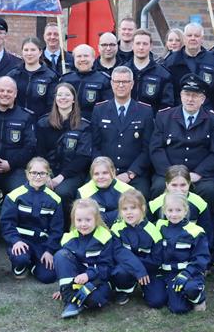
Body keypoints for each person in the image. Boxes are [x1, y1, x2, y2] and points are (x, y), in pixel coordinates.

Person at [150, 74, 214, 214]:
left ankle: (205, 230)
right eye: (187, 94)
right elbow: (156, 149)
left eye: (195, 95)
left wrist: (198, 174)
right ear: (181, 95)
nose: (190, 99)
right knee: (158, 187)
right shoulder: (164, 117)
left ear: (203, 99)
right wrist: (171, 174)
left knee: (210, 191)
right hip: (169, 172)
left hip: (200, 175)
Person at [91, 66, 155, 198]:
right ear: (111, 83)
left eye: (125, 82)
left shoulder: (145, 111)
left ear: (132, 84)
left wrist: (130, 173)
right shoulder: (99, 109)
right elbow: (94, 146)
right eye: (117, 81)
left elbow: (147, 149)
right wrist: (105, 172)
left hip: (134, 174)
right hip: (103, 173)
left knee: (141, 199)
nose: (121, 85)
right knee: (86, 197)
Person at [0, 157, 64, 283]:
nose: (38, 177)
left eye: (42, 173)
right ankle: (21, 264)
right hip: (21, 241)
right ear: (27, 174)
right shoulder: (14, 196)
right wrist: (15, 241)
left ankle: (33, 265)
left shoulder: (55, 200)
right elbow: (7, 224)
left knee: (48, 277)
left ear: (48, 175)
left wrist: (49, 250)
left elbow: (57, 230)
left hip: (42, 244)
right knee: (21, 258)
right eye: (34, 173)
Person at [0, 76, 37, 214]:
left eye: (9, 91)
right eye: (1, 90)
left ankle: (6, 227)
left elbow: (30, 147)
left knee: (20, 194)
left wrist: (10, 163)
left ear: (15, 93)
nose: (5, 94)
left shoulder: (25, 116)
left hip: (14, 169)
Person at [35, 83, 92, 222]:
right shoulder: (43, 123)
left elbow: (83, 158)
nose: (63, 98)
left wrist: (61, 177)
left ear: (74, 99)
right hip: (48, 171)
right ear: (55, 98)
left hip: (72, 173)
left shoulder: (84, 125)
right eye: (59, 94)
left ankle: (65, 230)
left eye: (67, 94)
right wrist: (45, 175)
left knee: (62, 192)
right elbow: (39, 153)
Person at [54, 198, 116, 318]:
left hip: (98, 279)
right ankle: (70, 299)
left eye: (88, 220)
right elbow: (66, 267)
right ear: (73, 220)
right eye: (79, 220)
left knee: (95, 300)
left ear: (96, 219)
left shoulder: (105, 237)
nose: (83, 224)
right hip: (77, 280)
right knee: (60, 255)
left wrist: (88, 275)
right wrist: (64, 288)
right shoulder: (68, 238)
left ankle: (79, 298)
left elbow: (107, 267)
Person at [109, 189, 165, 307]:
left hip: (149, 270)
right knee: (119, 272)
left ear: (143, 208)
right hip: (127, 268)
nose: (129, 212)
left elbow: (156, 261)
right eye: (125, 209)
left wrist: (140, 270)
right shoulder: (116, 228)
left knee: (157, 301)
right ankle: (124, 289)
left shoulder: (153, 231)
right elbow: (118, 252)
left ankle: (146, 288)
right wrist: (137, 269)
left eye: (133, 208)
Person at [156, 192, 209, 313]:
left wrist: (187, 273)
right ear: (164, 210)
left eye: (178, 210)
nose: (174, 214)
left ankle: (198, 297)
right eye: (170, 210)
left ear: (185, 210)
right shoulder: (159, 226)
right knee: (157, 301)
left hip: (189, 273)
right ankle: (171, 291)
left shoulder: (196, 231)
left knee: (179, 309)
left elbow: (202, 258)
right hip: (167, 274)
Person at [164, 22, 214, 112]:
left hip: (207, 114)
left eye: (196, 36)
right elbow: (168, 92)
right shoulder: (171, 61)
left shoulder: (213, 60)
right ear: (184, 38)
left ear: (202, 39)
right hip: (179, 114)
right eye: (189, 35)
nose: (193, 38)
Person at [147, 165, 213, 243]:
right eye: (174, 185)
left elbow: (207, 234)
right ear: (167, 185)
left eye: (183, 185)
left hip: (190, 247)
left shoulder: (200, 204)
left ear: (189, 184)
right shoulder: (155, 205)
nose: (178, 189)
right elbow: (148, 233)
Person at [8, 36, 60, 120]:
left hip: (40, 124)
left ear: (40, 52)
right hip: (16, 123)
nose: (29, 53)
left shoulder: (50, 76)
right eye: (26, 50)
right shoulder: (13, 75)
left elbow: (52, 106)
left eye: (33, 50)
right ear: (22, 52)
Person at [126, 28, 175, 111]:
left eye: (145, 44)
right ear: (132, 45)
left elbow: (166, 107)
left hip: (152, 122)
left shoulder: (163, 74)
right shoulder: (123, 71)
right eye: (138, 43)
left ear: (151, 46)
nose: (141, 47)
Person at [60, 44, 113, 120]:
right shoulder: (65, 79)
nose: (82, 59)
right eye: (79, 56)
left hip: (93, 125)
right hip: (67, 123)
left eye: (86, 56)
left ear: (93, 58)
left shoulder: (103, 80)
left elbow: (108, 108)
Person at [76, 157, 133, 227]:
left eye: (105, 173)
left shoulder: (128, 191)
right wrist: (118, 213)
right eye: (96, 174)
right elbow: (82, 220)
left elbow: (133, 216)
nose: (101, 177)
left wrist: (102, 216)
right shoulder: (83, 192)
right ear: (91, 175)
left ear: (113, 172)